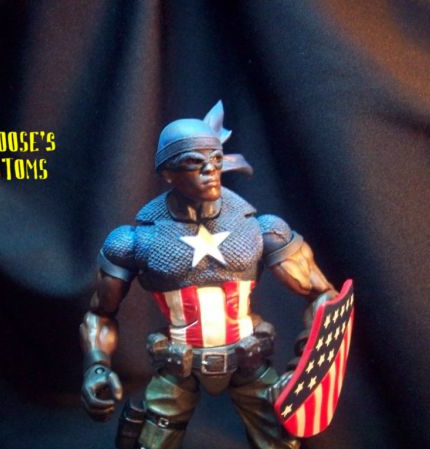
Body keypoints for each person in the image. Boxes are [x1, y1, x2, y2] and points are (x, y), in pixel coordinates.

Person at [80, 101, 337, 449]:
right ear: (167, 173)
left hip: (249, 361)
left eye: (216, 160)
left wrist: (303, 370)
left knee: (282, 443)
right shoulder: (136, 241)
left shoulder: (262, 230)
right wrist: (97, 365)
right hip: (177, 366)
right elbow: (99, 315)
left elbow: (325, 298)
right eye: (193, 162)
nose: (210, 170)